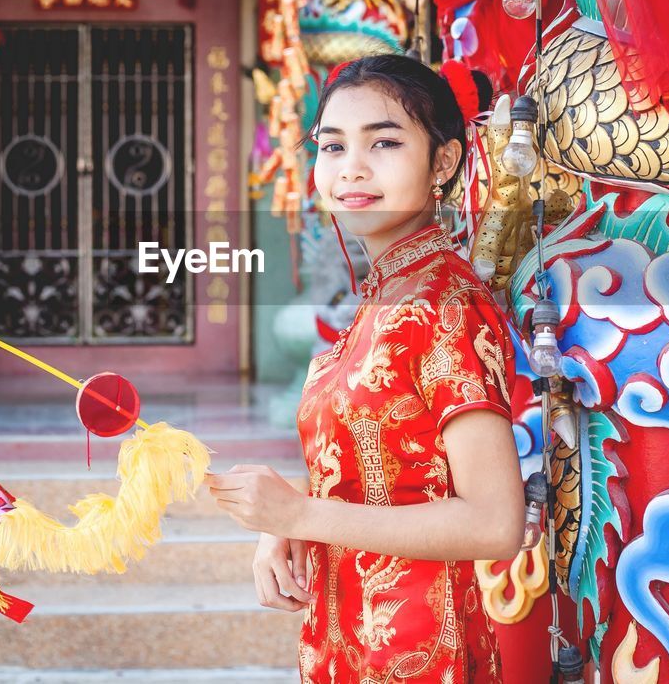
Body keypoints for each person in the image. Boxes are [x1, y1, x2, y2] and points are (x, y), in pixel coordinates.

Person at [207, 55, 525, 683]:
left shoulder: (444, 303)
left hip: (421, 652)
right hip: (346, 639)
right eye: (332, 145)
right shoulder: (387, 295)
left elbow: (494, 523)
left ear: (444, 162)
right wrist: (289, 519)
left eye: (383, 141)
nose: (351, 166)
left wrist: (300, 516)